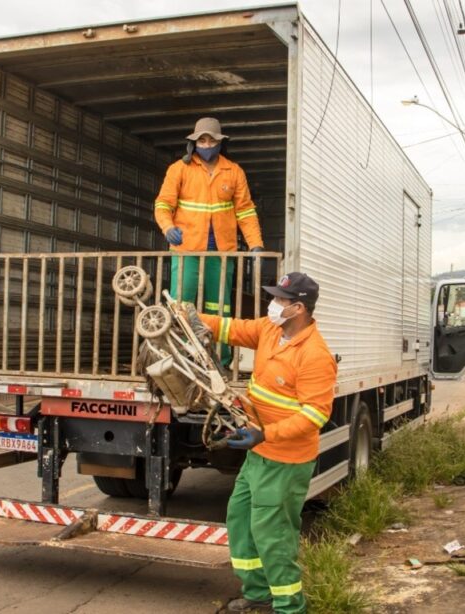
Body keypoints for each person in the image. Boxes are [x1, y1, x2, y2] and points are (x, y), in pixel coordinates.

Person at [197, 272, 337, 614]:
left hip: (285, 459)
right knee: (241, 521)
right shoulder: (270, 330)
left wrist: (266, 434)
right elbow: (230, 328)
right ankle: (258, 593)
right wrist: (187, 315)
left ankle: (290, 606)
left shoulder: (315, 355)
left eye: (280, 300)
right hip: (258, 452)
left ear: (298, 308)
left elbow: (314, 416)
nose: (272, 305)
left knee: (273, 533)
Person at [154, 117, 265, 363]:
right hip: (186, 248)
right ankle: (180, 355)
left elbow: (245, 211)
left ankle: (219, 359)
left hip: (221, 250)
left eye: (211, 140)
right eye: (202, 140)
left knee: (220, 306)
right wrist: (167, 227)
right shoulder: (179, 169)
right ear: (193, 144)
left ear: (220, 143)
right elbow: (163, 204)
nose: (206, 144)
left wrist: (255, 243)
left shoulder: (234, 171)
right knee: (181, 302)